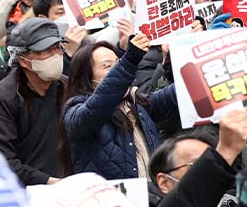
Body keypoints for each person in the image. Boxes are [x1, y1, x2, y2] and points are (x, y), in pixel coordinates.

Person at [60, 36, 177, 180]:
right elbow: (96, 107)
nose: (117, 68)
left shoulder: (137, 103)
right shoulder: (75, 111)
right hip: (115, 201)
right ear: (87, 77)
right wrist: (128, 62)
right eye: (107, 66)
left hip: (153, 197)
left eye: (118, 62)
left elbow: (176, 92)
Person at [0, 19, 67, 185]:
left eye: (57, 47)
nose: (55, 55)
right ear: (23, 60)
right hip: (27, 190)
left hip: (71, 184)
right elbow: (2, 160)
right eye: (45, 50)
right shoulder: (3, 97)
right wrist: (49, 181)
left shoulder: (67, 87)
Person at [148, 106, 247, 207]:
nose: (210, 176)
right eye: (197, 166)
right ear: (164, 182)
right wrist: (225, 152)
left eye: (206, 165)